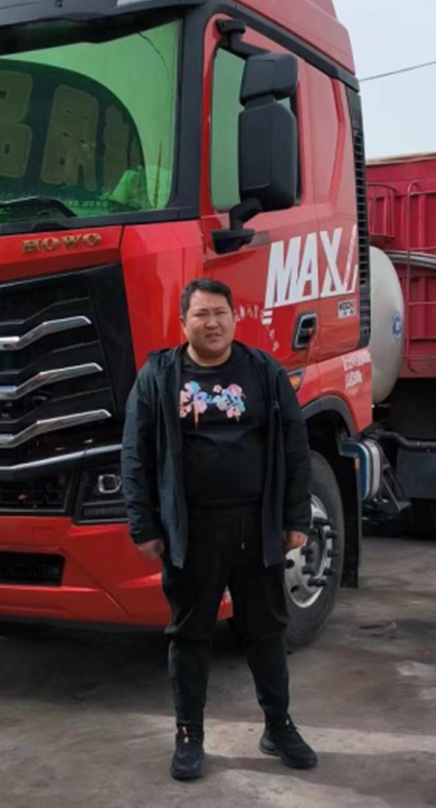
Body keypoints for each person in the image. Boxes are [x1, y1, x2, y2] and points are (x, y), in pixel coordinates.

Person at [121, 278, 318, 781]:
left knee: (266, 631)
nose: (212, 323)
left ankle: (278, 725)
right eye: (201, 314)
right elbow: (135, 454)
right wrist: (143, 524)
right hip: (192, 531)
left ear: (234, 318)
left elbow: (295, 447)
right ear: (182, 322)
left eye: (220, 313)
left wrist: (296, 518)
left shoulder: (263, 371)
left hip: (256, 526)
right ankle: (189, 735)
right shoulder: (158, 376)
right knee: (190, 635)